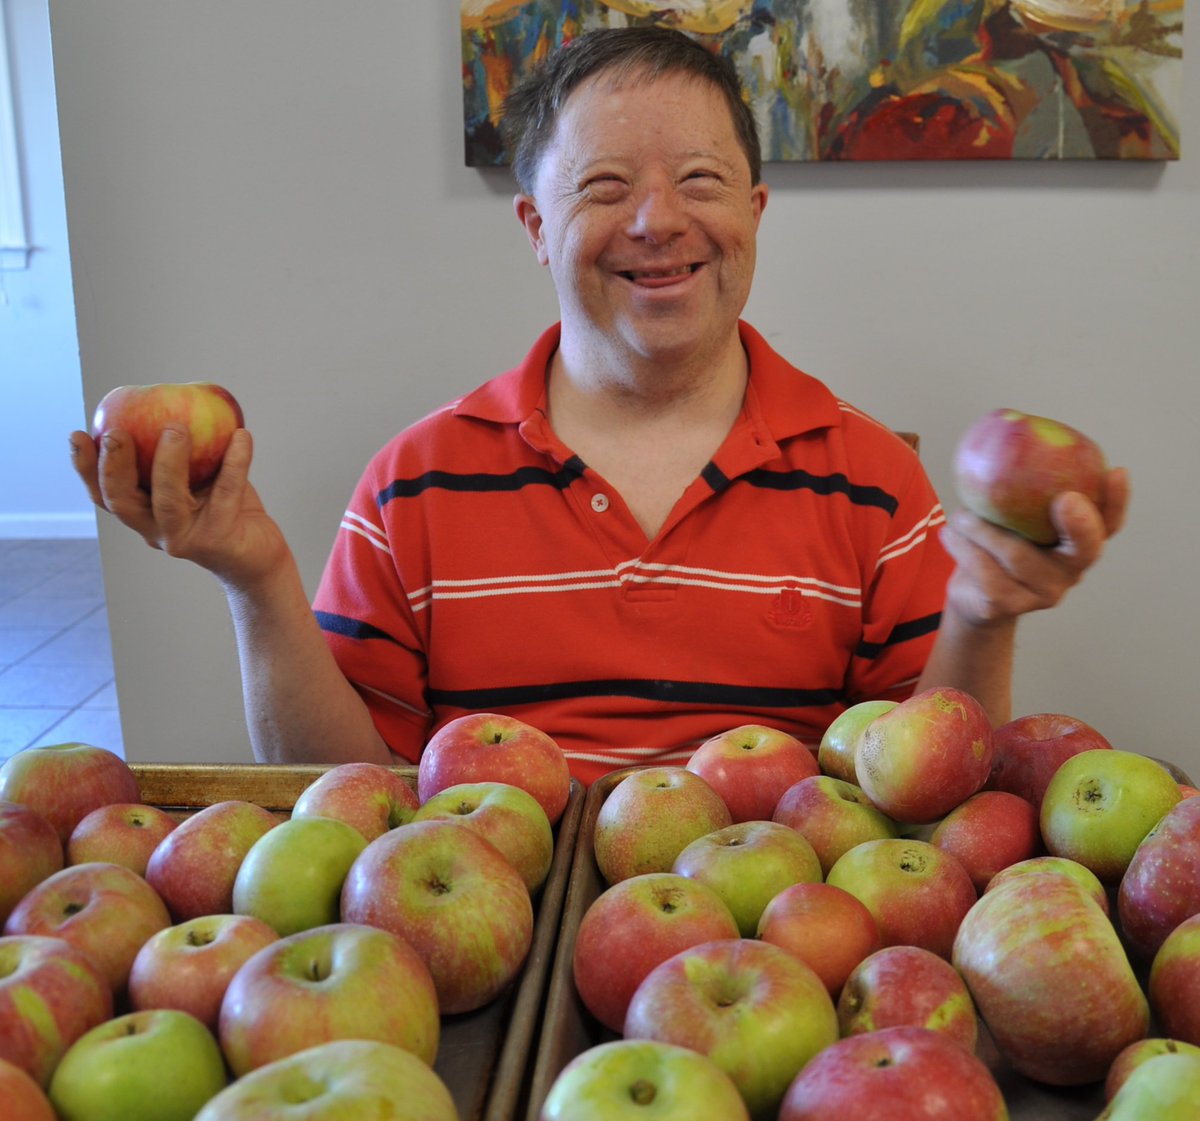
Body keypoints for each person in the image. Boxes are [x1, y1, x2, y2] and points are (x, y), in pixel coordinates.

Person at [69, 26, 1127, 786]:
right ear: (536, 223)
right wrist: (254, 577)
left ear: (754, 214)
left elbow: (930, 788)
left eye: (702, 180)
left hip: (788, 961)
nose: (658, 221)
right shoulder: (413, 482)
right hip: (485, 949)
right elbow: (345, 797)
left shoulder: (868, 479)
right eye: (605, 187)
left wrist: (985, 614)